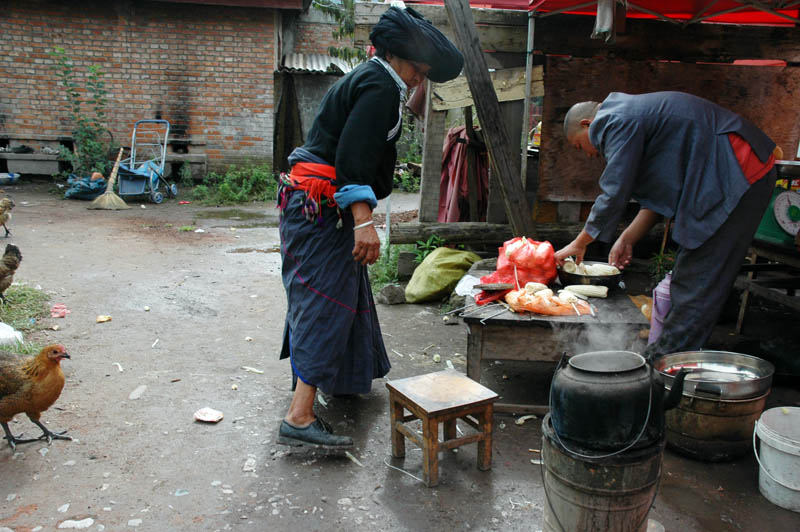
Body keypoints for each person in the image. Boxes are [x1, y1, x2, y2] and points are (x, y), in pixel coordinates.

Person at [276, 5, 463, 448]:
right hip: (322, 207)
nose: (421, 77)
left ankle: (334, 381)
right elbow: (352, 161)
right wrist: (364, 222)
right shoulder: (380, 85)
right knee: (326, 302)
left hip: (309, 203)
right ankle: (299, 418)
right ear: (401, 57)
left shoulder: (371, 77)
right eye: (420, 68)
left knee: (333, 294)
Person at [555, 91, 778, 359]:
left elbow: (615, 189)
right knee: (692, 278)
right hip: (728, 174)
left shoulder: (613, 119)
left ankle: (664, 367)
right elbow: (658, 195)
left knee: (697, 280)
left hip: (736, 172)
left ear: (587, 124)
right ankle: (670, 360)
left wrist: (580, 243)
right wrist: (627, 238)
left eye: (580, 147)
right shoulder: (633, 118)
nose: (589, 155)